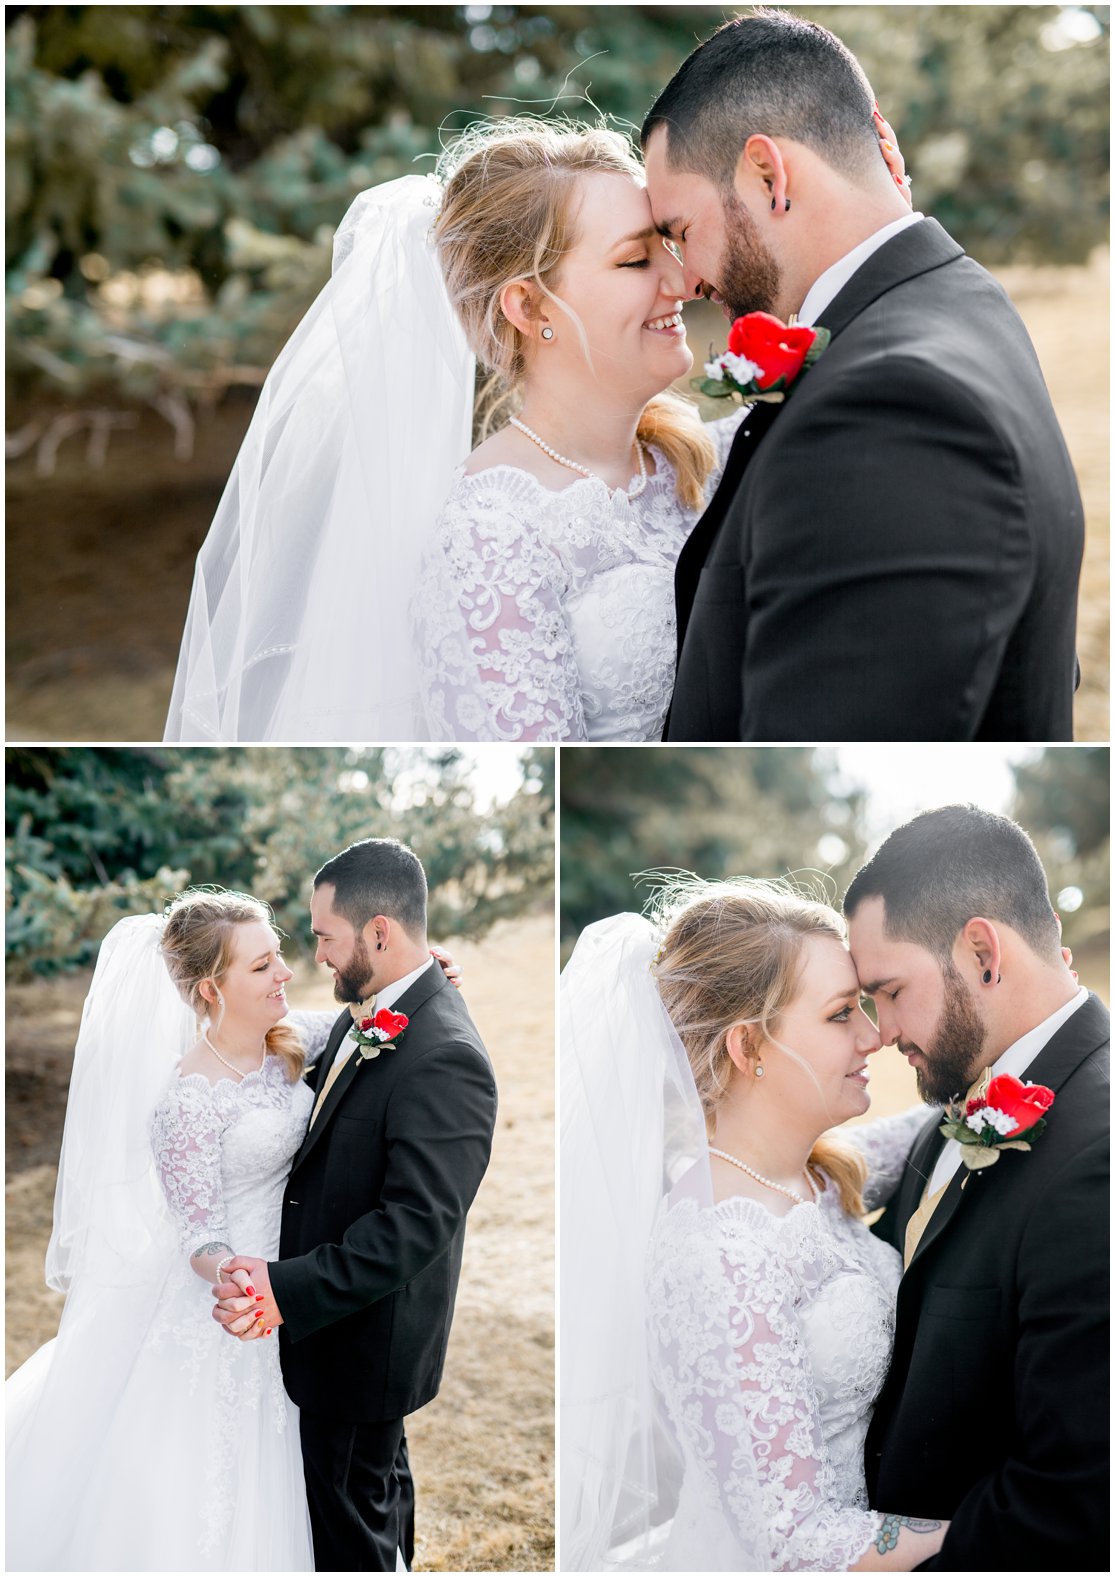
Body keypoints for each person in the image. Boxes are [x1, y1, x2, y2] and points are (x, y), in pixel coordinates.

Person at [164, 109, 906, 743]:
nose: (683, 281)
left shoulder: (711, 451)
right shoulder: (489, 534)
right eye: (634, 260)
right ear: (529, 308)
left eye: (670, 248)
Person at [641, 10, 1084, 742]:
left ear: (766, 174)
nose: (685, 278)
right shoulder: (961, 299)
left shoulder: (888, 409)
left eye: (681, 232)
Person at [561, 876, 949, 1571]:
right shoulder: (720, 1253)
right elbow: (791, 1538)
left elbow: (931, 1127)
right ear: (748, 1048)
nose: (874, 1033)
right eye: (839, 1013)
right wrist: (1006, 1522)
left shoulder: (812, 1172)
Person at [6, 890, 318, 1570]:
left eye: (280, 956)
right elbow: (199, 1233)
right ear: (212, 986)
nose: (284, 974)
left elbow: (365, 1025)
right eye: (263, 965)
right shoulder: (184, 1102)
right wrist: (235, 1276)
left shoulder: (293, 1036)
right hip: (233, 1308)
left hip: (298, 1289)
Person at [211, 838, 498, 1572]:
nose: (317, 956)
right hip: (341, 1335)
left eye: (324, 937)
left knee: (347, 1534)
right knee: (371, 1499)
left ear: (379, 932)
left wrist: (286, 1287)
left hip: (362, 1338)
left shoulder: (444, 1052)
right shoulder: (374, 1008)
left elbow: (416, 1224)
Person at [844, 806, 1108, 1570]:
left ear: (982, 952)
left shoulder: (1097, 1162)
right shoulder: (951, 1106)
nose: (881, 1030)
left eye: (888, 990)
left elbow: (1074, 1503)